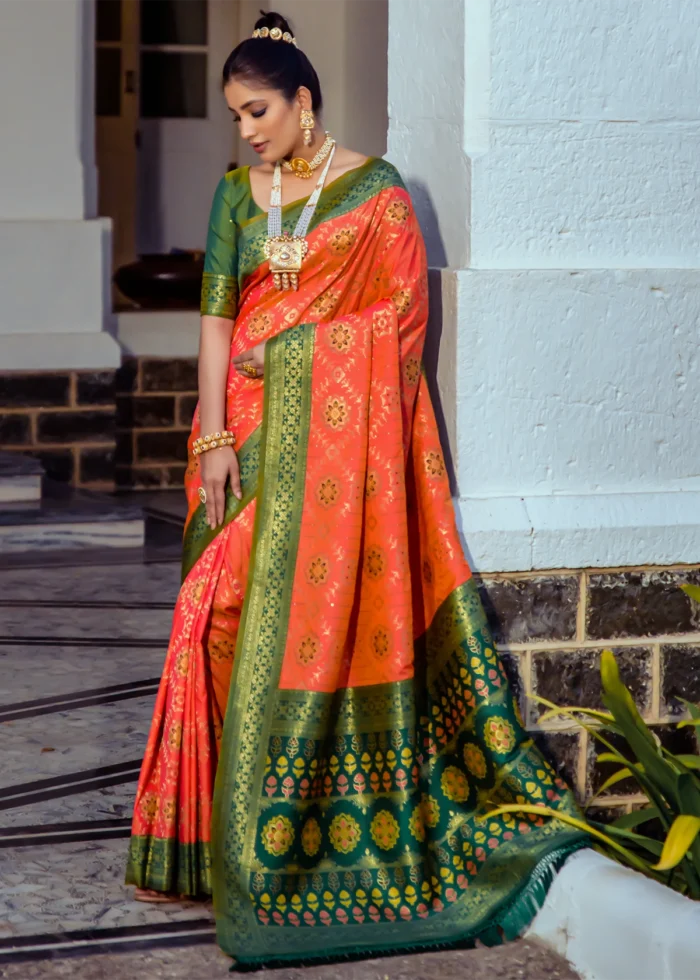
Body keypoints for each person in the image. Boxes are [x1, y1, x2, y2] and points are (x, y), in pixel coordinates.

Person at [126, 11, 586, 969]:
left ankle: (292, 842)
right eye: (235, 117)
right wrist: (210, 432)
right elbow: (217, 320)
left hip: (326, 450)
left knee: (273, 618)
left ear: (303, 101)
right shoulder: (234, 196)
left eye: (257, 111)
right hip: (244, 439)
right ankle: (218, 839)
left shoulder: (375, 195)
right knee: (212, 618)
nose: (246, 130)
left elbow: (400, 328)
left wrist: (299, 354)